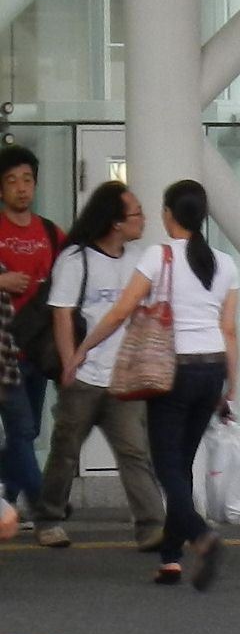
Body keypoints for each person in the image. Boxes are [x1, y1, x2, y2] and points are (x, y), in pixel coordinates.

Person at [74, 181, 237, 591]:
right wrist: (231, 384)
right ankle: (170, 560)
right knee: (180, 464)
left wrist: (84, 349)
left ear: (169, 214)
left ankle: (201, 536)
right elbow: (229, 330)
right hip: (211, 369)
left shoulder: (158, 255)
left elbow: (120, 312)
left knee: (165, 465)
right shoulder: (224, 263)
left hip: (172, 371)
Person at [33, 181, 163, 552]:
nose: (143, 218)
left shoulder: (140, 258)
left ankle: (151, 526)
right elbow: (62, 315)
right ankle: (49, 518)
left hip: (124, 378)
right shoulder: (76, 259)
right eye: (136, 213)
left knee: (134, 452)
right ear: (115, 222)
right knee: (65, 449)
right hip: (85, 376)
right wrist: (69, 362)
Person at [0, 142, 64, 513]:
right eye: (12, 181)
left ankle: (5, 502)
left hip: (39, 349)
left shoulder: (52, 234)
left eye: (27, 180)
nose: (22, 188)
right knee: (22, 430)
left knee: (29, 433)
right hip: (4, 348)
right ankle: (44, 506)